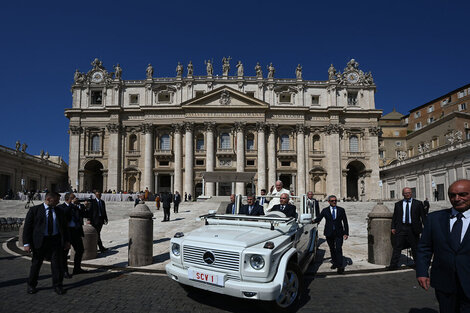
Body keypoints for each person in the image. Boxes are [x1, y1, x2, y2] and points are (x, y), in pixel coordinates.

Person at [417, 179, 470, 313]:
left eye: (463, 194)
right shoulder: (434, 218)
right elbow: (424, 247)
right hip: (444, 282)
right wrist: (422, 272)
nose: (457, 199)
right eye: (452, 195)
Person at [23, 192, 69, 295]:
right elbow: (27, 228)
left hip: (55, 241)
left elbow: (64, 228)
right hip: (40, 242)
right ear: (49, 199)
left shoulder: (59, 211)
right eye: (56, 200)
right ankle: (31, 285)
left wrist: (67, 241)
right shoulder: (34, 210)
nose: (58, 202)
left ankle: (57, 285)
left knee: (57, 265)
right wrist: (26, 243)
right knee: (36, 264)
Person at [388, 187, 425, 270]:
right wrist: (393, 227)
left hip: (413, 228)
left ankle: (418, 265)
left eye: (409, 192)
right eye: (406, 193)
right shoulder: (398, 204)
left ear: (411, 193)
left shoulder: (418, 203)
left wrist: (425, 228)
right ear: (403, 194)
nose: (407, 194)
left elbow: (423, 217)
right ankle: (393, 265)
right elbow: (395, 217)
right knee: (397, 247)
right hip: (401, 228)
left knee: (415, 247)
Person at [314, 195, 349, 274]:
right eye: (332, 201)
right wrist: (312, 221)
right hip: (329, 232)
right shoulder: (325, 210)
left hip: (339, 233)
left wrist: (346, 233)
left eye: (335, 200)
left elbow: (345, 222)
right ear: (329, 202)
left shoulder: (341, 210)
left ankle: (340, 266)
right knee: (332, 249)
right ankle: (335, 262)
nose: (334, 202)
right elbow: (319, 218)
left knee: (338, 248)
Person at [57, 193, 87, 278]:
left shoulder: (75, 207)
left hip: (76, 232)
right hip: (67, 232)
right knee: (64, 253)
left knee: (80, 250)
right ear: (69, 198)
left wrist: (84, 206)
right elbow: (64, 214)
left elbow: (83, 215)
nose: (76, 199)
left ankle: (77, 268)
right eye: (74, 197)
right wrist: (71, 205)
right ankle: (64, 271)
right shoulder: (61, 207)